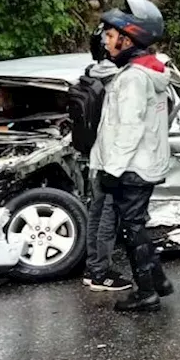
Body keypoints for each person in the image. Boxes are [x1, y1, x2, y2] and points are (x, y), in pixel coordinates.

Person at [89, 2, 176, 311]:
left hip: (131, 166)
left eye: (111, 34)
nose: (104, 40)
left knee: (131, 229)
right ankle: (159, 281)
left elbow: (129, 128)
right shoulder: (141, 72)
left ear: (128, 38)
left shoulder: (133, 79)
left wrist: (111, 170)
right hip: (142, 163)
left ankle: (146, 293)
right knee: (135, 224)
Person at [80, 28, 130, 293]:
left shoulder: (89, 75)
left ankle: (92, 268)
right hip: (112, 157)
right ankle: (101, 272)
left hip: (96, 155)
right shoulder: (117, 80)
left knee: (97, 212)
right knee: (108, 214)